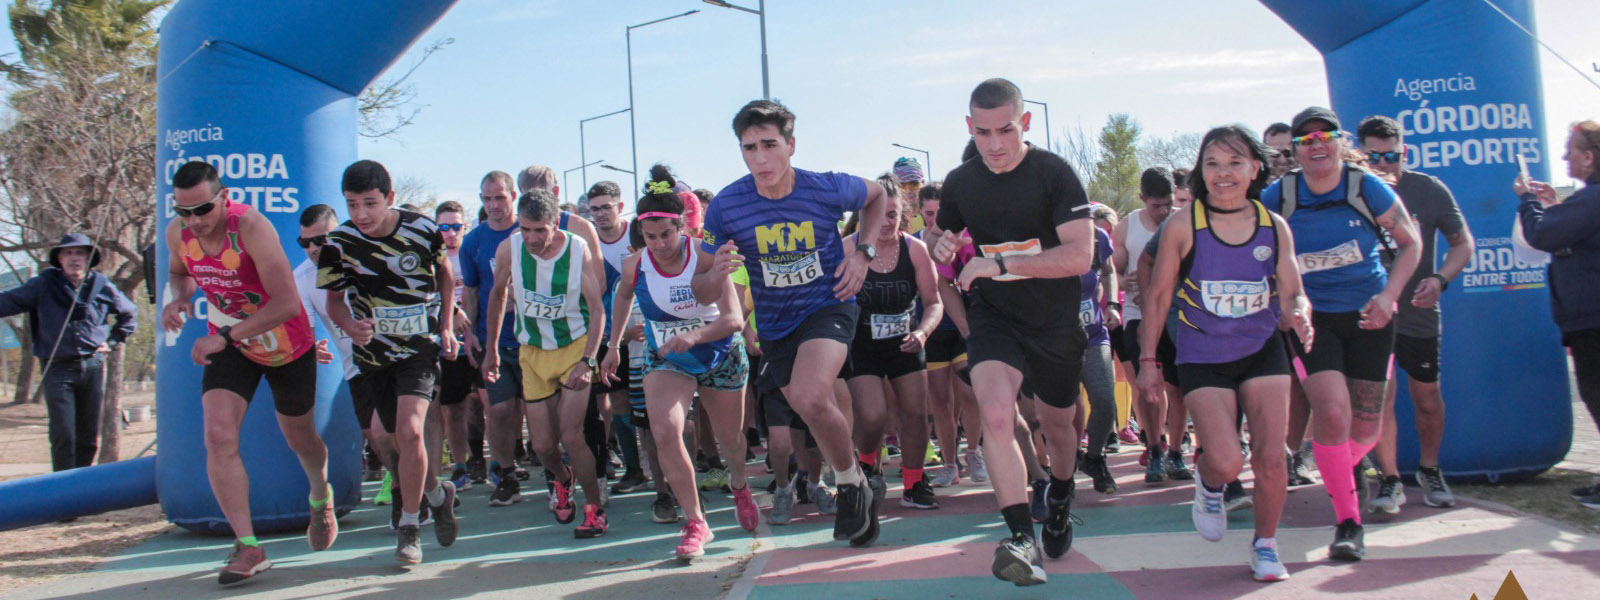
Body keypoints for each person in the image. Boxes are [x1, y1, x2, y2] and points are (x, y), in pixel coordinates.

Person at [694, 99, 889, 548]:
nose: (760, 158)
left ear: (791, 145)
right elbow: (701, 288)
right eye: (749, 148)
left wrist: (863, 253)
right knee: (811, 407)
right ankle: (855, 480)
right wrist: (716, 272)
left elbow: (879, 195)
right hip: (776, 324)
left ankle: (847, 483)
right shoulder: (725, 206)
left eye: (769, 145)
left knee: (808, 392)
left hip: (828, 304)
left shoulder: (827, 187)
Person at [929, 78, 1094, 585]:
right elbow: (944, 233)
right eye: (983, 133)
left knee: (1059, 423)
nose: (995, 144)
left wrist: (1002, 266)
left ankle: (1061, 493)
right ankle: (1021, 537)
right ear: (969, 128)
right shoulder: (960, 182)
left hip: (1053, 320)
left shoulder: (1055, 174)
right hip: (994, 318)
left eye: (1005, 130)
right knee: (997, 414)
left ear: (1024, 123)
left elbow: (1080, 256)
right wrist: (940, 242)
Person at [1139, 124, 1313, 582]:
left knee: (1272, 457)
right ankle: (1210, 483)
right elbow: (1157, 297)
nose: (1223, 174)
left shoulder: (1274, 227)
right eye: (1212, 164)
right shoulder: (1184, 223)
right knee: (1229, 458)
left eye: (1235, 162)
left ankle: (1266, 546)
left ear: (1256, 167)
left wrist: (1301, 312)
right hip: (1201, 354)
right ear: (1201, 171)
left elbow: (1294, 292)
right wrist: (1148, 363)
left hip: (1261, 350)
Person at [161, 161, 335, 583]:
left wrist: (227, 336)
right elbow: (179, 273)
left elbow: (287, 304)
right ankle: (249, 546)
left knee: (301, 437)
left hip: (285, 342)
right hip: (229, 340)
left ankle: (320, 494)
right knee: (218, 435)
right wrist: (177, 300)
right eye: (184, 211)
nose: (194, 221)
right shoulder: (177, 232)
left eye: (202, 209)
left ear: (223, 197)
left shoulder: (251, 227)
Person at [1261, 107, 1421, 561]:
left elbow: (1410, 244)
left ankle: (1341, 467)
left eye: (1324, 136)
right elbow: (1255, 253)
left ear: (1339, 141)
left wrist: (1390, 296)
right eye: (1306, 139)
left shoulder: (1364, 186)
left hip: (1369, 313)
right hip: (1313, 318)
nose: (1316, 145)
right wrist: (1284, 303)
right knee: (1332, 413)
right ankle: (1348, 523)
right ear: (1295, 149)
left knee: (1366, 430)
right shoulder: (1280, 196)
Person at [601, 184, 755, 560]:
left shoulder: (704, 257)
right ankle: (696, 522)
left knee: (729, 440)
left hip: (718, 350)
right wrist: (612, 346)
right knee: (665, 432)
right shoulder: (634, 264)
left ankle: (738, 484)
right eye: (650, 237)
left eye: (666, 234)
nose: (659, 244)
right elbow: (622, 297)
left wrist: (695, 335)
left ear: (682, 227)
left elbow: (734, 319)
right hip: (666, 355)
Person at [318, 160, 460, 564]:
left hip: (418, 347)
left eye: (369, 203)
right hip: (374, 355)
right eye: (351, 205)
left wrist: (446, 326)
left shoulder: (422, 229)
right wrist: (350, 325)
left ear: (390, 198)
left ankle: (410, 527)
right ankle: (436, 493)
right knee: (396, 440)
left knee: (411, 431)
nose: (360, 214)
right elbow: (333, 303)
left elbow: (445, 275)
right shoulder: (338, 244)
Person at [1357, 115, 1474, 513]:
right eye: (1373, 157)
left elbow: (1463, 244)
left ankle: (1430, 468)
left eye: (1391, 156)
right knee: (1381, 401)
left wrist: (1440, 280)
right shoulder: (1354, 193)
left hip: (1419, 315)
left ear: (1403, 152)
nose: (1383, 164)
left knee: (1426, 398)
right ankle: (1390, 480)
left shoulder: (1427, 189)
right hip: (1372, 316)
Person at [481, 189, 609, 537]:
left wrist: (588, 359)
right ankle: (563, 478)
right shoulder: (509, 248)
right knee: (542, 446)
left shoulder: (576, 249)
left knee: (572, 434)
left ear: (555, 223)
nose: (533, 238)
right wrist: (491, 349)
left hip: (573, 348)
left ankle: (595, 508)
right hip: (532, 352)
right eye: (526, 229)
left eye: (540, 230)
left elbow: (597, 309)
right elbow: (496, 294)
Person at [1514, 119, 1600, 510]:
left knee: (1596, 396)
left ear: (1589, 157)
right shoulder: (1586, 201)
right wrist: (1555, 206)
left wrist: (1528, 202)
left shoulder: (1592, 199)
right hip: (1587, 318)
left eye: (1571, 150)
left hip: (1592, 320)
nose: (1564, 156)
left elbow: (1543, 236)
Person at [844, 176, 945, 510]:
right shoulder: (847, 249)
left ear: (903, 214)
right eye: (877, 215)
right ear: (863, 216)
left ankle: (914, 482)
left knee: (917, 415)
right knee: (872, 416)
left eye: (892, 214)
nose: (885, 223)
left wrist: (923, 332)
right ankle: (868, 461)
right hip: (862, 345)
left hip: (906, 343)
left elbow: (934, 302)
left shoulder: (915, 251)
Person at [0, 233, 137, 473]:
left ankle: (79, 492)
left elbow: (129, 314)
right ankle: (62, 492)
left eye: (80, 253)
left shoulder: (101, 284)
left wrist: (113, 341)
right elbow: (8, 301)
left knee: (88, 436)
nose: (75, 258)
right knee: (63, 432)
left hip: (93, 365)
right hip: (58, 367)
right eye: (69, 253)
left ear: (88, 258)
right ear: (59, 259)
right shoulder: (43, 284)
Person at [294, 206, 391, 502]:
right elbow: (305, 325)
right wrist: (312, 346)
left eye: (320, 240)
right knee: (374, 436)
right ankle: (407, 480)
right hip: (355, 367)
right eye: (305, 242)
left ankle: (408, 491)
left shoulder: (366, 254)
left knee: (391, 430)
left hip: (391, 357)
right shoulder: (301, 276)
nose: (312, 248)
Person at [1112, 168, 1186, 483]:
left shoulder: (1183, 222)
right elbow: (1110, 270)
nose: (1164, 211)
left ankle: (1177, 451)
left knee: (1178, 388)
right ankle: (1154, 448)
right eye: (1156, 205)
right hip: (1138, 317)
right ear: (1143, 199)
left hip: (1177, 316)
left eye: (1168, 204)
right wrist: (1122, 279)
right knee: (1147, 387)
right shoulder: (1127, 227)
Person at [461, 171, 530, 506]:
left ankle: (556, 476)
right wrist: (470, 332)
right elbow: (471, 291)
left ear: (513, 196)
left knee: (542, 415)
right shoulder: (473, 241)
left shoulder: (530, 232)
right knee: (500, 410)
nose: (493, 205)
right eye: (486, 199)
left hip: (536, 342)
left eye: (499, 198)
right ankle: (506, 474)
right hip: (496, 342)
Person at [917, 182, 986, 487]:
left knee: (970, 394)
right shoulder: (914, 244)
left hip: (959, 324)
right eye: (929, 213)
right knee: (941, 402)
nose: (934, 220)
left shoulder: (961, 238)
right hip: (931, 331)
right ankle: (949, 463)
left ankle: (974, 452)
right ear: (920, 212)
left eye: (939, 213)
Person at [586, 181, 648, 495]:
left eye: (605, 207)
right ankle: (634, 469)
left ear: (620, 207)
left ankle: (665, 470)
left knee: (656, 406)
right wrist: (613, 337)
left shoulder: (638, 235)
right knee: (619, 402)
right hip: (611, 340)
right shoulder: (588, 242)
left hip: (650, 338)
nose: (599, 214)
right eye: (593, 208)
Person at [1075, 206, 1120, 495]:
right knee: (1063, 413)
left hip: (1093, 336)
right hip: (1055, 342)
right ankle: (1062, 473)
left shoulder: (1098, 237)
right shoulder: (1043, 239)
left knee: (1105, 401)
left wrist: (1112, 304)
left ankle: (1094, 458)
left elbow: (1109, 271)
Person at [434, 201, 478, 493]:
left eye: (456, 226)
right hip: (448, 344)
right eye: (444, 227)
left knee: (490, 403)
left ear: (465, 227)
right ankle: (460, 465)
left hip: (479, 339)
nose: (450, 233)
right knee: (454, 409)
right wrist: (451, 315)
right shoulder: (432, 260)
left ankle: (495, 462)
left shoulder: (471, 254)